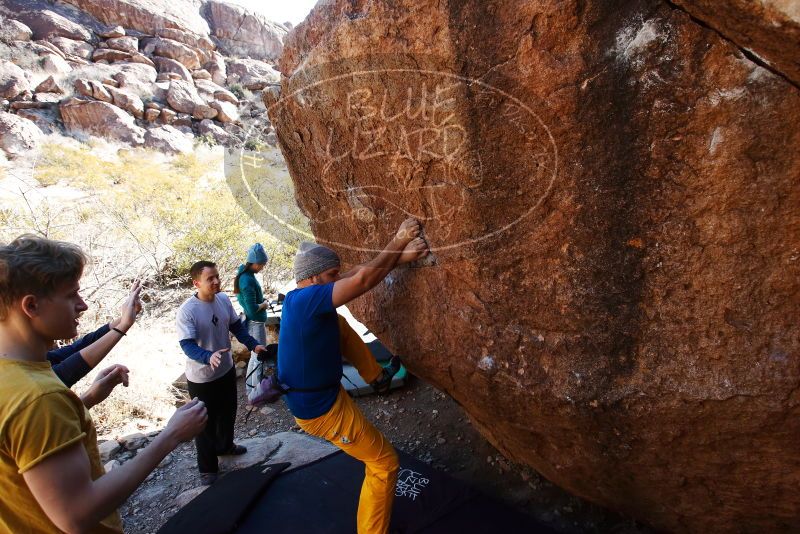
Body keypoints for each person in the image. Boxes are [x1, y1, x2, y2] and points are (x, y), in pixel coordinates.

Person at [0, 235, 207, 534]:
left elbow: (21, 443)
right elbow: (76, 515)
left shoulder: (14, 379)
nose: (82, 305)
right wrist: (170, 435)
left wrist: (85, 401)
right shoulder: (39, 398)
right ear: (31, 305)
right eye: (72, 295)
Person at [278, 219, 428, 534]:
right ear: (314, 277)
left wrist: (400, 258)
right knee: (384, 463)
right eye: (331, 275)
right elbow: (359, 280)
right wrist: (398, 240)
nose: (337, 278)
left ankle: (375, 376)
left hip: (323, 397)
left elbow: (351, 274)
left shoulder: (300, 296)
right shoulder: (308, 301)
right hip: (321, 412)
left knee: (340, 325)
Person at [176, 260, 268, 485]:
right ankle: (207, 468)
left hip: (225, 370)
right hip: (202, 377)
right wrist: (208, 356)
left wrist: (253, 344)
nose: (216, 281)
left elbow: (236, 327)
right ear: (196, 282)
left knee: (228, 412)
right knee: (204, 422)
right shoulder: (187, 311)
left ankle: (225, 446)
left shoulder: (224, 300)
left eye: (217, 276)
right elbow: (186, 345)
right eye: (210, 278)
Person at [48, 281, 143, 387]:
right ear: (31, 306)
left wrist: (125, 318)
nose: (84, 306)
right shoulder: (31, 377)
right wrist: (123, 325)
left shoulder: (37, 358)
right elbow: (61, 376)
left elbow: (77, 348)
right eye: (69, 296)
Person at [233, 243, 270, 395]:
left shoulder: (246, 275)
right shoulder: (247, 280)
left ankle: (251, 389)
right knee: (259, 356)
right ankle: (257, 393)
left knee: (255, 355)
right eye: (261, 264)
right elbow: (252, 308)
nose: (262, 267)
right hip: (255, 322)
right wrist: (264, 304)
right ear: (253, 263)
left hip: (254, 321)